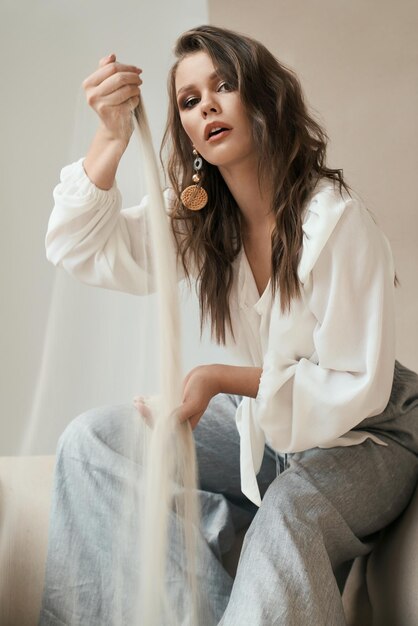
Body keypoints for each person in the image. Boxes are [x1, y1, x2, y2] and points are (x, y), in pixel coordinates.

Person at [39, 25, 418, 625]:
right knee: (93, 444)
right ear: (188, 129)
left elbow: (356, 386)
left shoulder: (334, 223)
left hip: (368, 435)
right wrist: (110, 137)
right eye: (189, 100)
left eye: (225, 86)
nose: (207, 105)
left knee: (288, 512)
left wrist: (217, 377)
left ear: (263, 101)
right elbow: (81, 248)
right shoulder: (203, 223)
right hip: (270, 428)